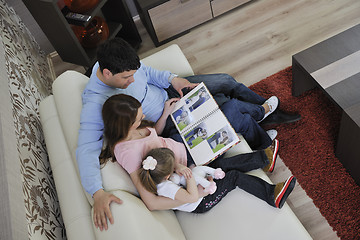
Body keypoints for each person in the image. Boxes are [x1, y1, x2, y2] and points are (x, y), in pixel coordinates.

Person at [76, 37, 300, 230]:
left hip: (170, 99)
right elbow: (86, 149)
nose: (133, 80)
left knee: (225, 81)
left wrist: (174, 79)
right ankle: (261, 122)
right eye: (127, 78)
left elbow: (149, 73)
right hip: (173, 128)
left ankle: (264, 113)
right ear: (107, 73)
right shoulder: (96, 104)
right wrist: (96, 192)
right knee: (228, 108)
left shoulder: (118, 61)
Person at [101, 94, 296, 215]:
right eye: (138, 118)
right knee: (231, 112)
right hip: (188, 164)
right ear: (124, 124)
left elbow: (155, 135)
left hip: (181, 150)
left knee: (228, 108)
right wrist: (190, 195)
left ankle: (264, 156)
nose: (143, 117)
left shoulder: (135, 127)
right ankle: (269, 180)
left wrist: (165, 115)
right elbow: (151, 202)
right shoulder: (126, 152)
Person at [139, 148, 296, 213]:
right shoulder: (166, 188)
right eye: (173, 166)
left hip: (196, 185)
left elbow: (179, 176)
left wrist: (180, 167)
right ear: (167, 175)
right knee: (233, 177)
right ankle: (271, 195)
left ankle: (263, 159)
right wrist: (191, 176)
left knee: (221, 165)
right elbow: (192, 196)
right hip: (201, 201)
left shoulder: (159, 175)